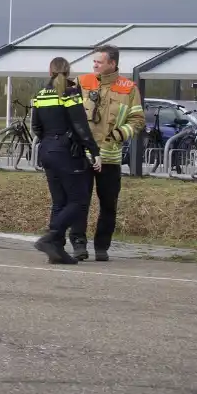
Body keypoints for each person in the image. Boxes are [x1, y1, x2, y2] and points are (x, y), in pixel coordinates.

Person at [70, 44, 145, 261]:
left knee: (108, 204)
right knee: (79, 201)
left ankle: (102, 247)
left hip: (111, 157)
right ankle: (78, 244)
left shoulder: (129, 88)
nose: (94, 65)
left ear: (112, 63)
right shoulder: (82, 82)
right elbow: (68, 110)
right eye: (94, 61)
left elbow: (138, 120)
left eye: (99, 62)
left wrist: (119, 135)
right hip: (83, 155)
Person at [31, 57, 102, 264]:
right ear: (68, 72)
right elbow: (81, 125)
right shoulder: (70, 93)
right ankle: (51, 237)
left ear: (49, 71)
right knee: (79, 201)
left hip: (46, 150)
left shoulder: (41, 94)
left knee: (59, 202)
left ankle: (56, 251)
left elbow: (36, 127)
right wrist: (93, 151)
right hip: (65, 152)